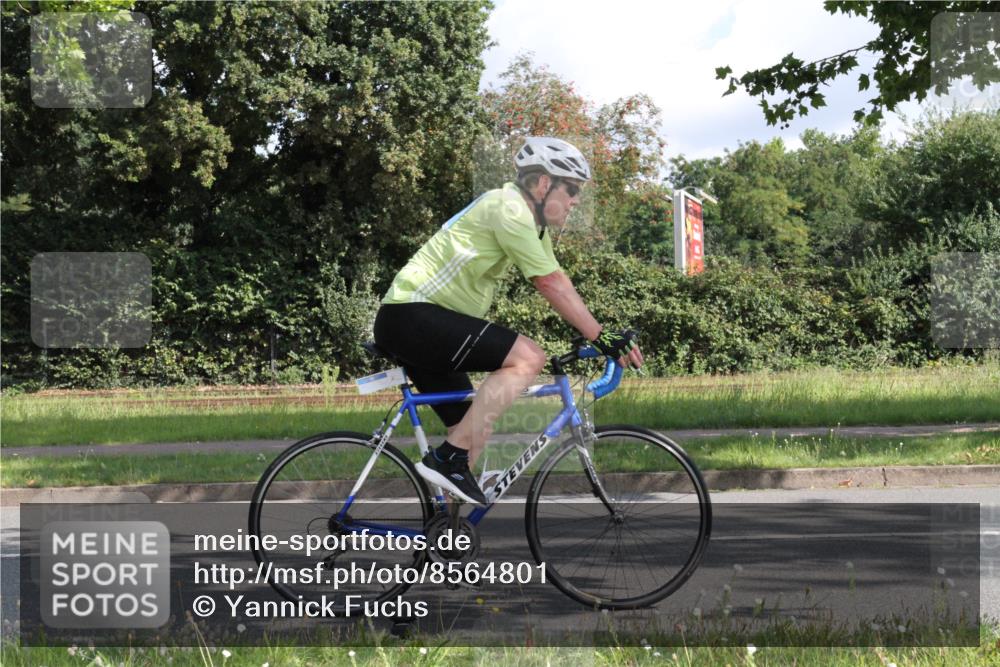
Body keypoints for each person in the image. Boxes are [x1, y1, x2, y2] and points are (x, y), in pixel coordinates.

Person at [373, 137, 643, 505]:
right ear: (545, 183)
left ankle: (447, 543)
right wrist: (599, 335)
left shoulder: (532, 224)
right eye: (573, 189)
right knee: (528, 357)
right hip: (412, 314)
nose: (576, 200)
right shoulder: (508, 207)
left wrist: (594, 331)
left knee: (472, 431)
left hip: (425, 321)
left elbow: (557, 280)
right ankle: (447, 460)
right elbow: (547, 284)